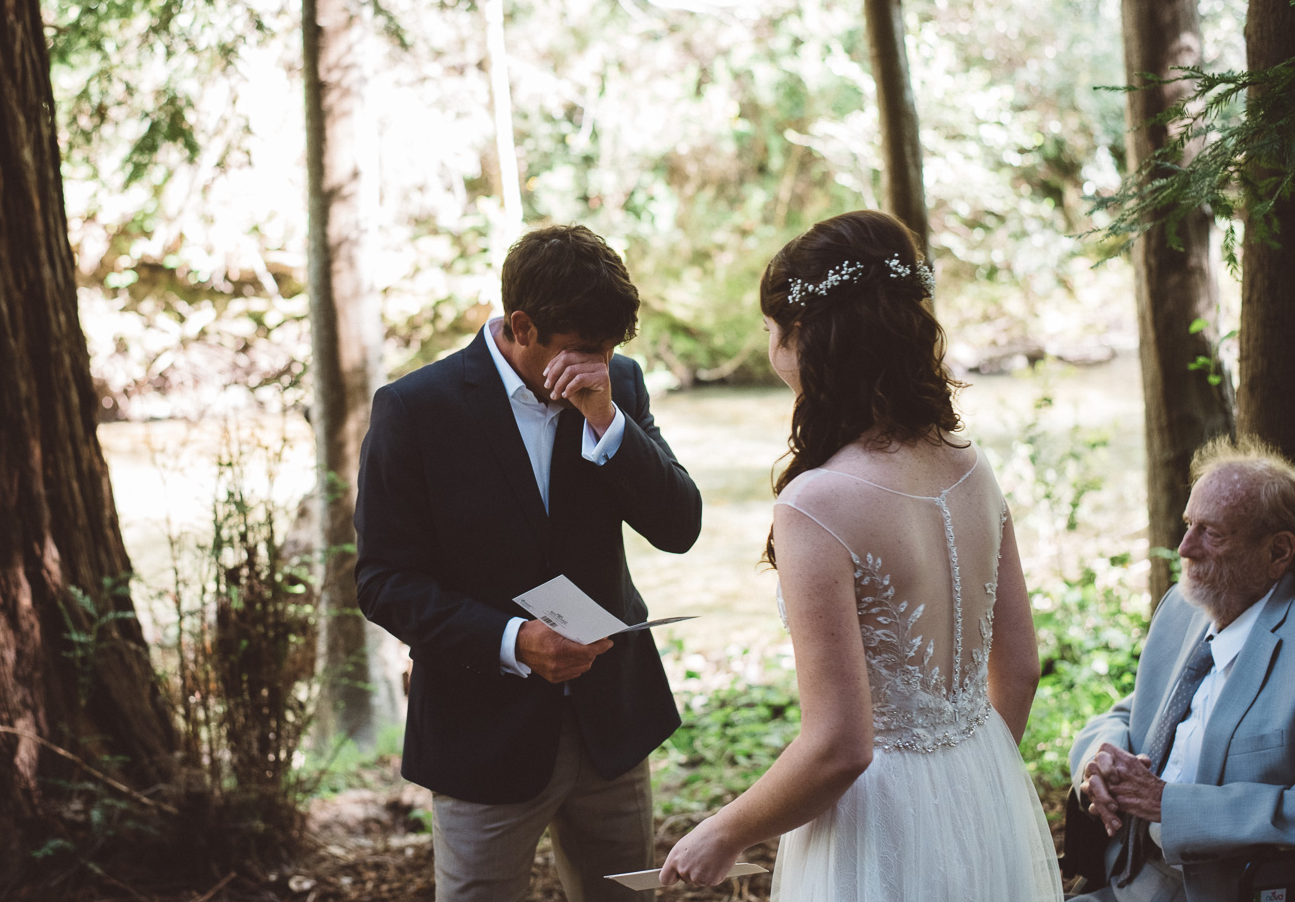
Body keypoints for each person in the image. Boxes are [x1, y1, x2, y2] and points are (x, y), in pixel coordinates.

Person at [659, 210, 1062, 900]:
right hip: (982, 790)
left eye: (771, 329)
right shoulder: (971, 464)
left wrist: (723, 829)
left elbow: (841, 745)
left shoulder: (816, 503)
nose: (770, 349)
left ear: (808, 339)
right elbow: (1019, 670)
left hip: (877, 832)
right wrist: (971, 787)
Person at [354, 224, 702, 902]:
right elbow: (383, 581)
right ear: (521, 325)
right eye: (581, 351)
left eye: (608, 351)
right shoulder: (413, 410)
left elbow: (680, 525)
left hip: (613, 725)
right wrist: (512, 640)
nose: (597, 365)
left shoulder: (617, 384)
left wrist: (606, 419)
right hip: (480, 733)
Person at [1068, 437, 1295, 902]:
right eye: (1189, 524)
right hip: (1126, 877)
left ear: (1278, 553)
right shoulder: (1183, 607)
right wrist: (1101, 756)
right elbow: (1132, 710)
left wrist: (1170, 805)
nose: (1185, 548)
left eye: (1212, 533)